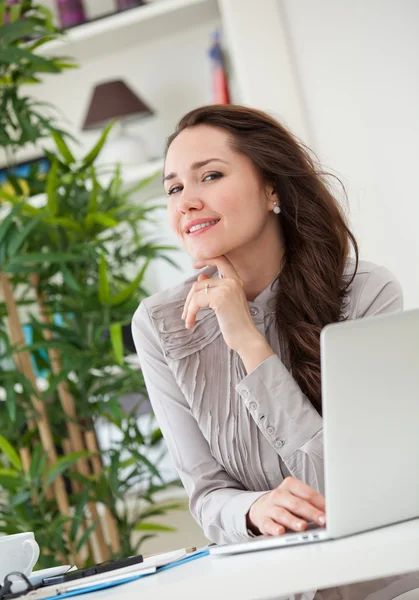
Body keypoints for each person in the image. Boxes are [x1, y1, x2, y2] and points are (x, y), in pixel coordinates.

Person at [132, 105, 418, 599]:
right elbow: (206, 496)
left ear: (272, 190)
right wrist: (252, 509)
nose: (187, 202)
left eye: (210, 176)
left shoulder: (366, 293)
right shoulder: (159, 324)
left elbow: (346, 491)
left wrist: (247, 340)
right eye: (174, 188)